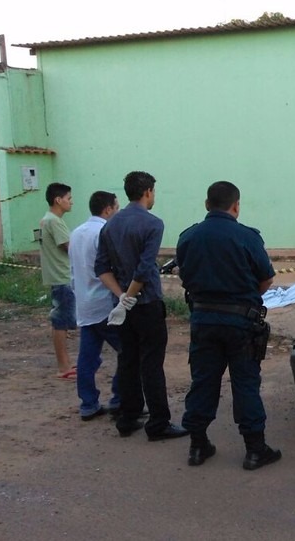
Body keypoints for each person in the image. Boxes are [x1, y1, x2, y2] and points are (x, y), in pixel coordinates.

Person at [177, 181, 280, 470]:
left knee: (203, 381)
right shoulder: (247, 237)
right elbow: (266, 278)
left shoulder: (189, 237)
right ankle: (255, 450)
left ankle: (197, 446)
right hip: (241, 323)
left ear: (207, 204)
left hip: (203, 320)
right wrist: (244, 299)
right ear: (236, 206)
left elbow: (186, 276)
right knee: (245, 383)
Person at [95, 171, 188, 441]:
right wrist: (131, 296)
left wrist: (121, 297)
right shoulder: (152, 224)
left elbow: (101, 267)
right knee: (151, 364)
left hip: (121, 307)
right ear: (148, 192)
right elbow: (145, 267)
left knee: (127, 360)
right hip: (146, 304)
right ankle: (159, 423)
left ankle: (127, 417)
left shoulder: (110, 225)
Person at [68, 191, 123, 420]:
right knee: (128, 351)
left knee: (87, 356)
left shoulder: (77, 232)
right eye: (117, 207)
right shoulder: (104, 232)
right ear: (108, 209)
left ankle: (88, 403)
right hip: (104, 302)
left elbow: (73, 270)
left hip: (84, 302)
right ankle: (119, 398)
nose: (118, 212)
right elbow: (109, 267)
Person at [40, 182, 76, 379]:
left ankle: (66, 363)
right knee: (60, 322)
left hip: (59, 276)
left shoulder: (49, 220)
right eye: (69, 198)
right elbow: (68, 246)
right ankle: (63, 366)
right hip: (61, 277)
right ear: (58, 200)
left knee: (61, 320)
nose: (71, 202)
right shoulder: (54, 221)